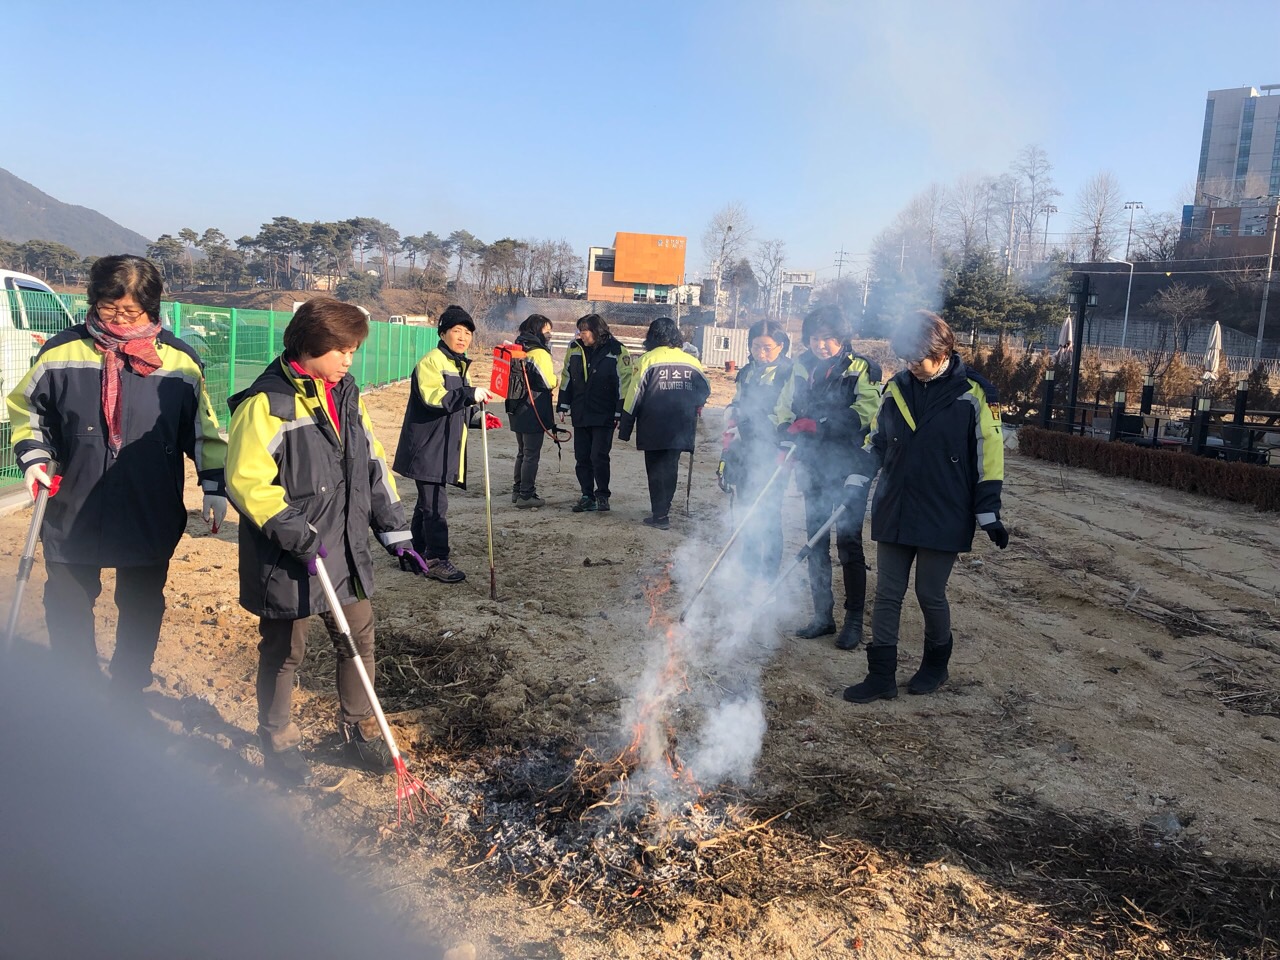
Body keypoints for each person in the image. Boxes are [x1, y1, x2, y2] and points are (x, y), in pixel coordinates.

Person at [6, 254, 227, 705]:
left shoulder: (179, 362)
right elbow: (28, 411)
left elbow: (202, 429)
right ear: (93, 300)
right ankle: (78, 691)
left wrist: (214, 484)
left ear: (152, 306)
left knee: (142, 601)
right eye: (110, 308)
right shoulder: (61, 352)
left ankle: (128, 687)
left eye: (132, 311)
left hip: (149, 501)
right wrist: (34, 458)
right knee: (67, 598)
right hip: (73, 501)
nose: (120, 319)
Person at [225, 297, 413, 785]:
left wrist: (394, 529)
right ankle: (278, 739)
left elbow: (372, 463)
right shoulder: (266, 403)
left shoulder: (347, 395)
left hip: (344, 550)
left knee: (359, 639)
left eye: (353, 351)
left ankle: (356, 728)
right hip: (289, 556)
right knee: (285, 652)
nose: (349, 360)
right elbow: (246, 481)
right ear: (309, 346)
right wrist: (296, 533)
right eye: (341, 350)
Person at [844, 309, 1007, 704]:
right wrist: (858, 477)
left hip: (945, 508)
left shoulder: (975, 393)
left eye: (918, 359)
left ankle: (936, 663)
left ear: (942, 351)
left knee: (929, 593)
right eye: (906, 359)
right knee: (887, 593)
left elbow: (989, 452)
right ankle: (880, 675)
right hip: (896, 502)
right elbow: (877, 440)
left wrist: (988, 509)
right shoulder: (896, 388)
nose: (911, 366)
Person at [787, 305, 881, 650]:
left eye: (828, 338)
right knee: (815, 540)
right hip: (812, 464)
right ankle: (822, 616)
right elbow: (785, 404)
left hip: (848, 465)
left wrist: (821, 425)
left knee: (849, 542)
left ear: (842, 338)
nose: (821, 345)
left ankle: (854, 620)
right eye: (815, 338)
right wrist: (785, 430)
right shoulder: (802, 366)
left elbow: (866, 412)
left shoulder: (862, 368)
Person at [392, 304, 493, 583]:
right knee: (435, 506)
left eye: (467, 333)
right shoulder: (431, 362)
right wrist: (469, 394)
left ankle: (413, 553)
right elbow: (433, 398)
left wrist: (478, 417)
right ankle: (437, 558)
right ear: (442, 333)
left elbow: (459, 407)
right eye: (457, 331)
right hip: (426, 446)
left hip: (443, 447)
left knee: (426, 504)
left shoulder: (460, 365)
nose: (462, 338)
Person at [619, 317, 710, 530]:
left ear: (651, 336)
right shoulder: (691, 361)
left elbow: (634, 396)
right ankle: (664, 509)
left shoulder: (646, 360)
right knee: (670, 467)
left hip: (653, 425)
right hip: (681, 425)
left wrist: (625, 427)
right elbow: (705, 389)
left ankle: (659, 515)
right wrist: (694, 403)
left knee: (655, 469)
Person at [723, 319, 796, 580]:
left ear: (781, 346)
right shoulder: (747, 372)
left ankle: (769, 576)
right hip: (746, 449)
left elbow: (789, 411)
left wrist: (765, 426)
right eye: (756, 347)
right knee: (746, 510)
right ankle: (748, 572)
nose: (761, 353)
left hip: (774, 451)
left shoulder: (789, 372)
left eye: (767, 348)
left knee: (769, 514)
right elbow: (738, 401)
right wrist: (732, 416)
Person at [556, 313, 633, 513]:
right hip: (581, 411)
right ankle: (587, 495)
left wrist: (620, 412)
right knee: (582, 457)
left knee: (598, 456)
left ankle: (602, 495)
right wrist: (563, 404)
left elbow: (625, 383)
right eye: (579, 331)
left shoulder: (617, 350)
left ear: (597, 331)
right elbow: (566, 377)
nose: (581, 335)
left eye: (585, 331)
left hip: (605, 413)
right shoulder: (574, 348)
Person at [506, 313, 558, 508]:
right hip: (533, 409)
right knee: (531, 454)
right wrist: (556, 380)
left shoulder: (518, 347)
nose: (549, 334)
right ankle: (526, 495)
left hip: (516, 408)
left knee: (522, 452)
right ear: (537, 331)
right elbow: (548, 382)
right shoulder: (539, 353)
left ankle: (517, 490)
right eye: (547, 330)